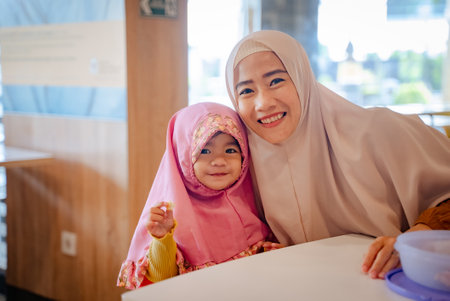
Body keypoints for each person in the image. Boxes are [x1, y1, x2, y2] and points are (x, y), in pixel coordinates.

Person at [225, 30, 450, 280]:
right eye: (246, 91)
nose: (263, 103)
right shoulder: (242, 165)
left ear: (302, 79)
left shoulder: (377, 131)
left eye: (276, 81)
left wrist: (414, 239)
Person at [117, 102, 281, 289]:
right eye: (204, 150)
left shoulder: (254, 199)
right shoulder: (168, 214)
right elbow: (162, 281)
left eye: (230, 150)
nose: (219, 161)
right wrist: (162, 240)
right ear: (183, 155)